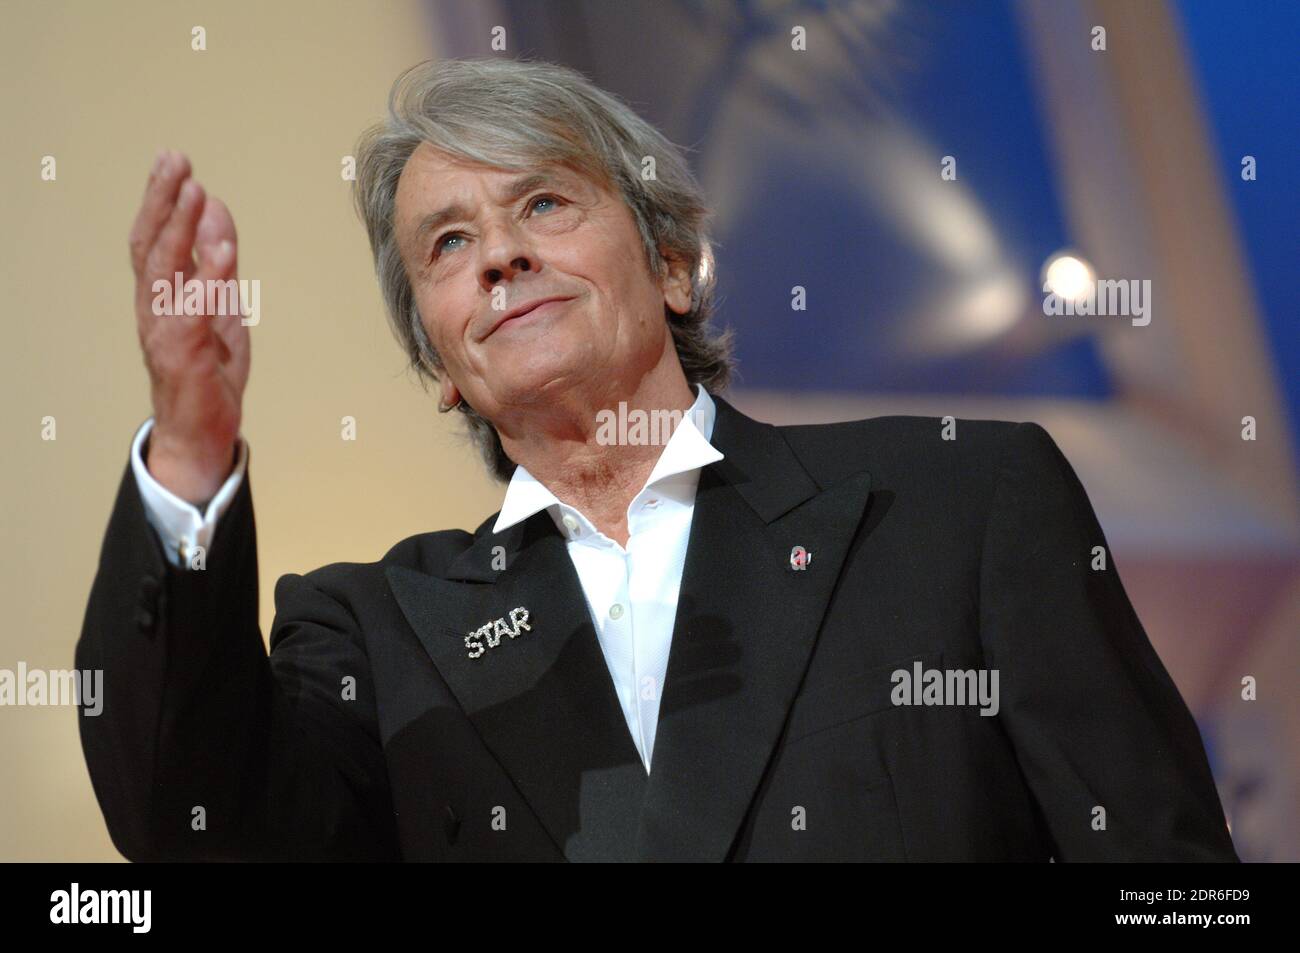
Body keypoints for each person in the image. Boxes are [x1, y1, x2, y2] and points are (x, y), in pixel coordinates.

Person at [76, 58, 1238, 862]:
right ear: (437, 359)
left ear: (674, 265)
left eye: (543, 201)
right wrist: (189, 441)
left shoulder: (957, 504)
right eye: (449, 242)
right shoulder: (374, 635)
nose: (500, 256)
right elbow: (191, 818)